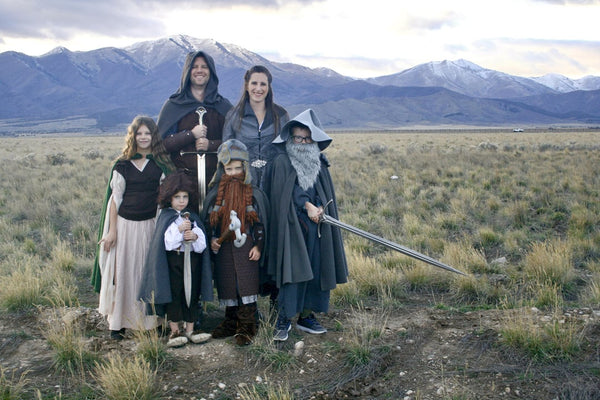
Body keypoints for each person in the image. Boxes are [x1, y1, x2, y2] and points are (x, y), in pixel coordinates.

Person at [264, 109, 348, 342]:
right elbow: (286, 192)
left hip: (317, 228)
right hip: (291, 228)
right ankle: (283, 318)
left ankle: (307, 316)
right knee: (292, 272)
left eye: (306, 138)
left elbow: (322, 191)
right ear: (290, 138)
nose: (301, 143)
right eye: (297, 138)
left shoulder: (319, 162)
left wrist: (320, 207)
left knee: (317, 269)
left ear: (314, 140)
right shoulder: (281, 161)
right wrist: (307, 205)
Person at [91, 115, 174, 341]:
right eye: (139, 133)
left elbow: (164, 200)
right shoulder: (122, 164)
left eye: (148, 133)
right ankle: (118, 323)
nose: (144, 137)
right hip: (125, 226)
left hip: (150, 226)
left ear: (153, 136)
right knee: (124, 272)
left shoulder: (161, 165)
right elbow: (114, 200)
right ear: (133, 136)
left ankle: (151, 322)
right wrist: (112, 231)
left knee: (147, 272)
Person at [202, 139, 269, 346]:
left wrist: (258, 246)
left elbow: (260, 223)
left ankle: (248, 324)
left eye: (238, 168)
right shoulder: (215, 196)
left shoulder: (254, 194)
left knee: (246, 285)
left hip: (247, 247)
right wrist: (213, 239)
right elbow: (210, 222)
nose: (233, 173)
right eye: (229, 168)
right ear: (222, 169)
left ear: (245, 167)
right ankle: (231, 321)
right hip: (224, 249)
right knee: (228, 284)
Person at [138, 171, 213, 347]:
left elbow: (202, 245)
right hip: (173, 262)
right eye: (177, 197)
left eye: (185, 196)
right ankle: (175, 331)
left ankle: (190, 329)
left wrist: (193, 236)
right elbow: (167, 243)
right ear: (169, 198)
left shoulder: (192, 217)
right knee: (175, 294)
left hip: (191, 262)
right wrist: (180, 231)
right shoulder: (166, 217)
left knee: (192, 294)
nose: (181, 201)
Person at [157, 50, 233, 211]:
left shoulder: (223, 106)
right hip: (182, 186)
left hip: (217, 182)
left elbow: (234, 143)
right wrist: (190, 135)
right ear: (187, 72)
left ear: (210, 72)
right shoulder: (174, 106)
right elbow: (162, 144)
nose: (200, 70)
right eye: (195, 67)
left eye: (204, 67)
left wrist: (211, 145)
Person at [222, 65, 289, 188]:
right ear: (247, 86)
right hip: (244, 184)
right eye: (254, 83)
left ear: (268, 87)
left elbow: (287, 150)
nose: (258, 88)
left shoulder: (281, 115)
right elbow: (227, 152)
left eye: (263, 84)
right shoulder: (234, 115)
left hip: (276, 183)